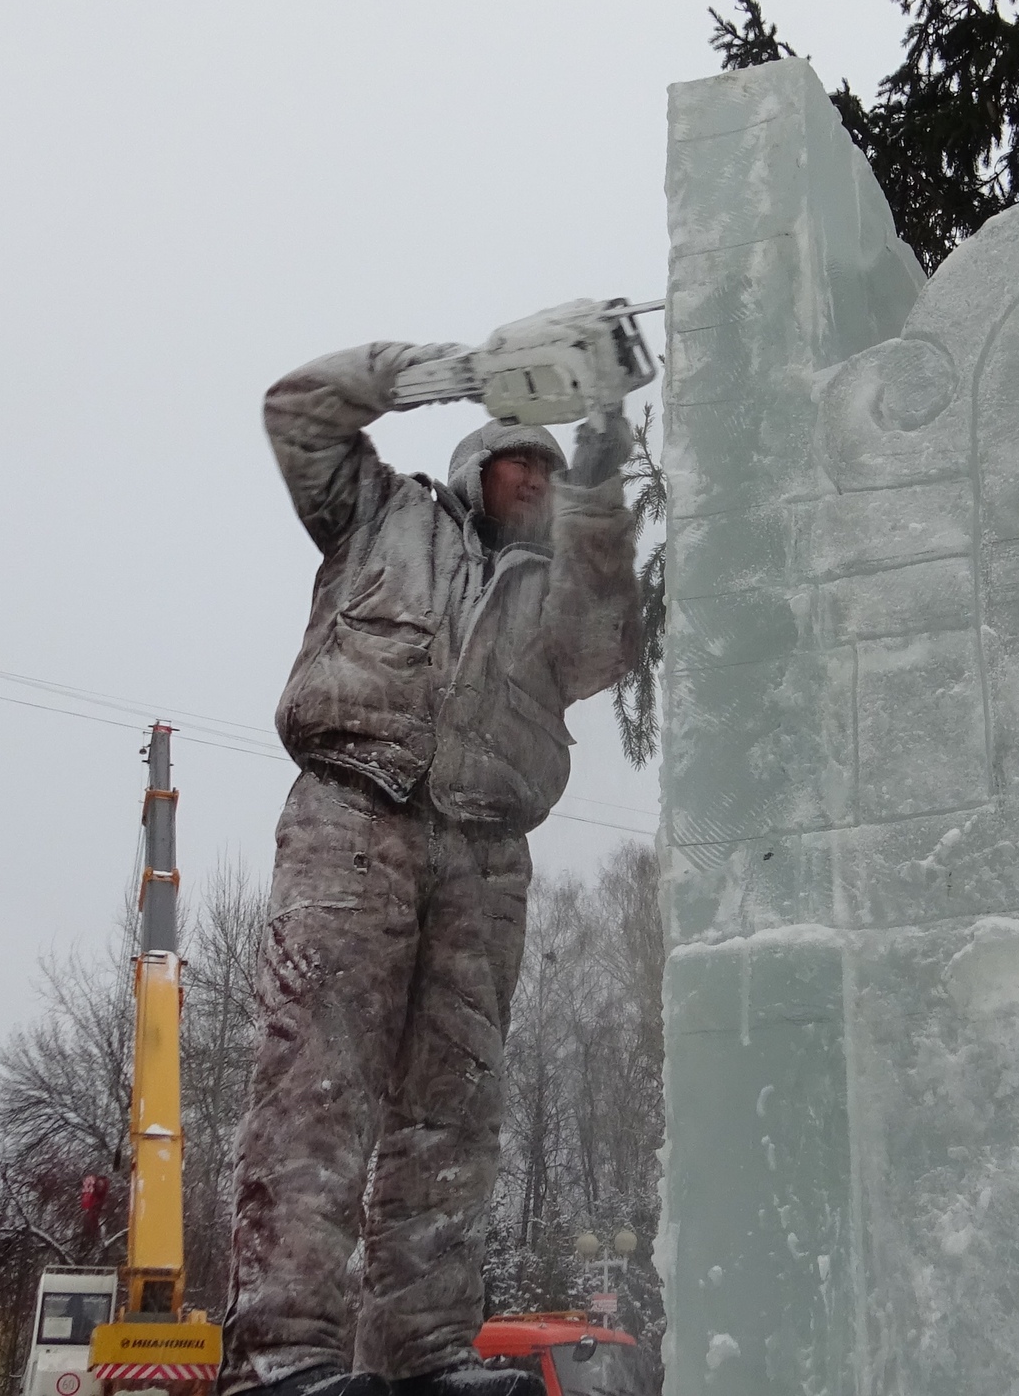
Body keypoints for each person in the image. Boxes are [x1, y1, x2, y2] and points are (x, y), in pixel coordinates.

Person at [222, 337, 641, 1396]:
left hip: (487, 849)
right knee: (318, 1077)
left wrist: (601, 472)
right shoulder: (381, 512)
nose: (536, 480)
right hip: (356, 810)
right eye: (523, 459)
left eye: (549, 467)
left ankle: (423, 1351)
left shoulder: (559, 587)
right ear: (477, 461)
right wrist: (471, 368)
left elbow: (611, 645)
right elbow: (298, 408)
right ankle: (283, 1353)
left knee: (454, 1106)